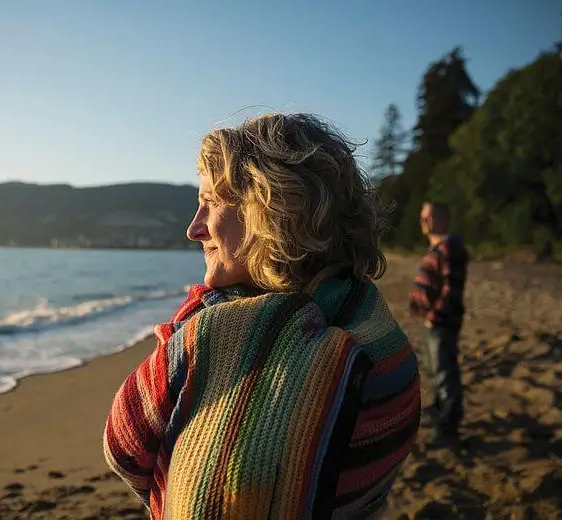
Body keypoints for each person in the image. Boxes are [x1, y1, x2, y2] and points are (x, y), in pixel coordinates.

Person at [103, 113, 420, 519]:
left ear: (270, 207)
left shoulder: (211, 339)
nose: (193, 228)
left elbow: (124, 445)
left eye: (210, 203)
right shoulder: (377, 331)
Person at [408, 202, 469, 444]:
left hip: (440, 323)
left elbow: (451, 290)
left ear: (443, 219)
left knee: (445, 372)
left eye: (429, 217)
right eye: (422, 217)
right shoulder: (437, 248)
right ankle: (441, 407)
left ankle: (448, 426)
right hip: (430, 321)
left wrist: (435, 317)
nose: (424, 222)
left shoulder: (450, 248)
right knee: (435, 368)